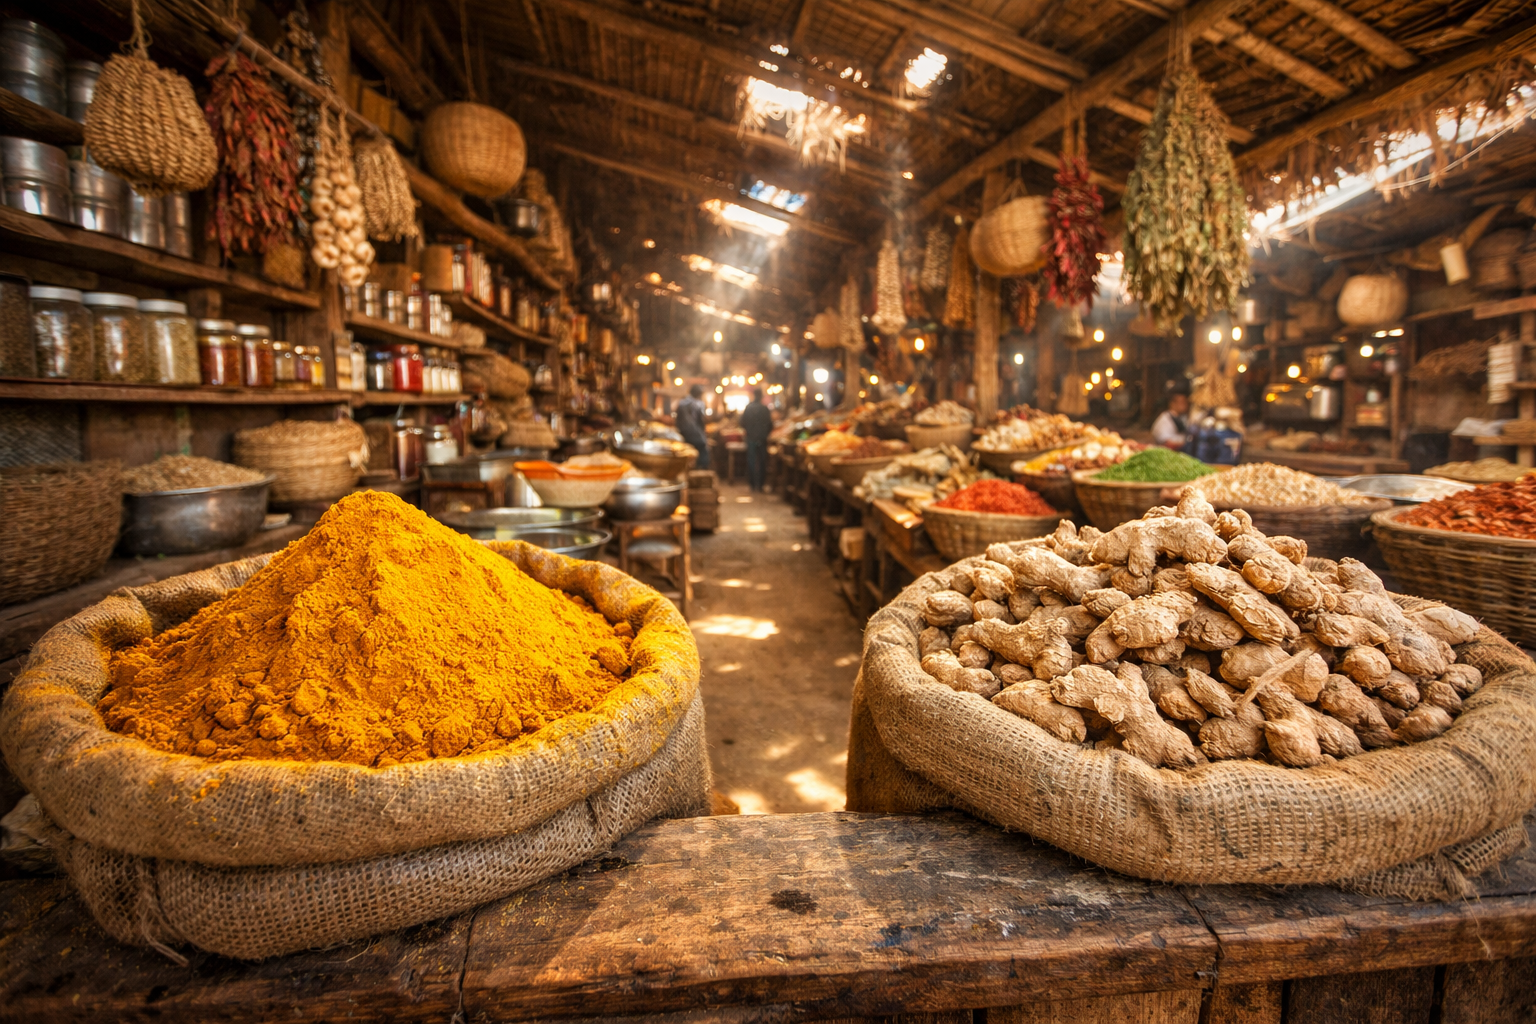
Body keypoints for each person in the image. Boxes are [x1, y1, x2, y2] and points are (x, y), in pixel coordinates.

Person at [741, 387, 773, 492]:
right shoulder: (765, 409)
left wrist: (749, 432)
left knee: (751, 461)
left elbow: (742, 423)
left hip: (751, 438)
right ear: (761, 396)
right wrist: (765, 434)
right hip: (762, 439)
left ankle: (752, 484)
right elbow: (770, 424)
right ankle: (760, 485)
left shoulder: (748, 408)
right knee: (762, 461)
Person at [676, 384, 711, 470]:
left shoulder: (681, 403)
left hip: (684, 434)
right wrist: (703, 433)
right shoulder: (699, 404)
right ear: (698, 394)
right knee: (702, 451)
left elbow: (677, 420)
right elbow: (701, 420)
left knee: (687, 454)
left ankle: (689, 470)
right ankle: (701, 471)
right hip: (697, 434)